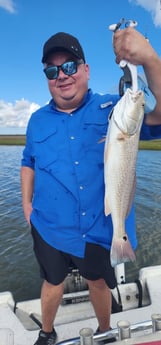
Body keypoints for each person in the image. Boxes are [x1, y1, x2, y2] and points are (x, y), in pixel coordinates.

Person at [21, 28, 161, 345]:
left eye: (69, 66)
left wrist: (151, 60)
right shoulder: (36, 120)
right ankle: (46, 331)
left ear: (85, 70)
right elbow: (28, 161)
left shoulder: (116, 107)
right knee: (51, 282)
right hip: (49, 227)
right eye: (52, 70)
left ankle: (103, 330)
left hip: (100, 227)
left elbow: (158, 117)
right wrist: (26, 206)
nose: (62, 75)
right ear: (47, 76)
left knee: (98, 281)